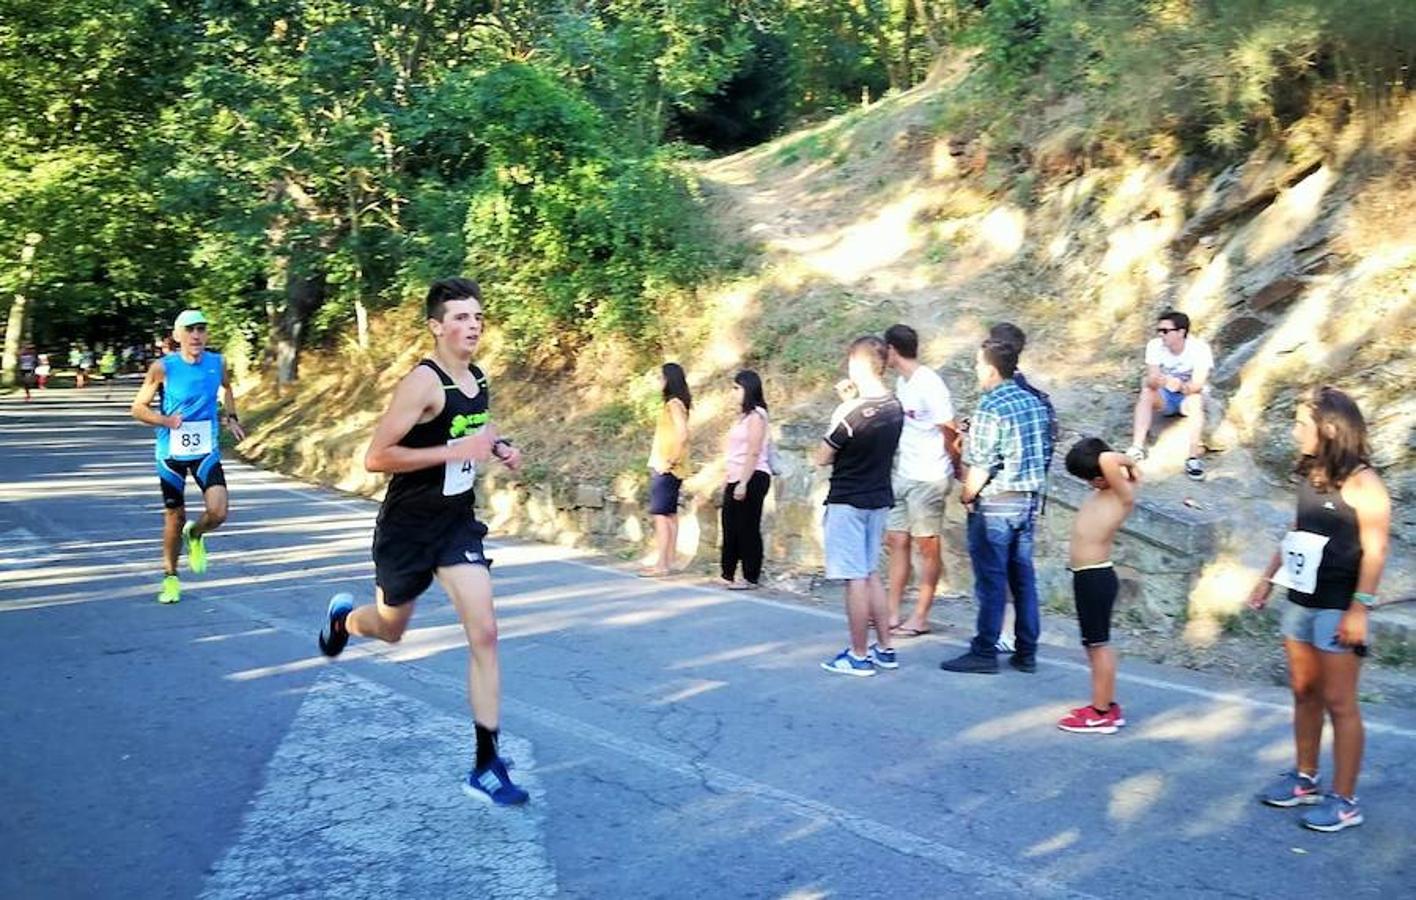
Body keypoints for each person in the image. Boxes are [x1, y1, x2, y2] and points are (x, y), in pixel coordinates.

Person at [316, 277, 529, 806]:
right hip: (408, 528)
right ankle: (343, 620)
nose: (472, 324)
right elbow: (376, 457)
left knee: (486, 633)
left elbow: (476, 425)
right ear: (436, 327)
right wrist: (458, 451)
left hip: (456, 524)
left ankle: (485, 763)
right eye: (460, 317)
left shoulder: (476, 378)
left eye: (477, 316)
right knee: (391, 630)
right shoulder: (422, 382)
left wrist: (496, 445)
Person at [1248, 386, 1390, 833]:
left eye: (1300, 424)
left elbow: (1375, 550)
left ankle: (1345, 801)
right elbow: (1297, 529)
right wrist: (1267, 578)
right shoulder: (1312, 472)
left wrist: (1359, 609)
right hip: (1301, 599)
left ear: (1327, 429)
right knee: (1303, 691)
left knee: (1340, 703)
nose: (1295, 433)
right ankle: (1305, 778)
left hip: (1337, 605)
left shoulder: (1366, 484)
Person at [940, 337, 1051, 675]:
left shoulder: (991, 406)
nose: (976, 370)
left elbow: (983, 464)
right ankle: (1026, 650)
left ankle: (984, 650)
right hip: (1026, 501)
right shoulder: (1034, 402)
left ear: (990, 368)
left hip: (995, 504)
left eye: (978, 364)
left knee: (991, 580)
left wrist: (967, 496)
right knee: (1022, 578)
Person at [130, 310, 245, 604]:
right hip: (171, 452)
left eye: (201, 329)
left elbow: (227, 388)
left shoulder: (217, 363)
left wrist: (231, 417)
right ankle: (170, 578)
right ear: (178, 335)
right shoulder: (162, 367)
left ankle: (195, 533)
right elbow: (138, 408)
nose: (196, 335)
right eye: (190, 330)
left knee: (219, 512)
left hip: (205, 449)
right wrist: (165, 421)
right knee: (174, 516)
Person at [815, 336, 905, 676]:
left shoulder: (849, 413)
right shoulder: (895, 406)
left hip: (848, 499)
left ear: (859, 364)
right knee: (870, 573)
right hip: (878, 496)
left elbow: (823, 456)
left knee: (854, 577)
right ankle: (885, 648)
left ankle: (858, 654)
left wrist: (844, 407)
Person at [1057, 438, 1140, 734]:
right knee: (1091, 644)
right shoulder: (1104, 489)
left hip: (1097, 575)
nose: (1091, 483)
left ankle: (1101, 712)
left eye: (1091, 477)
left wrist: (1125, 461)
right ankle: (1102, 703)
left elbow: (1107, 460)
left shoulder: (1123, 493)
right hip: (1086, 576)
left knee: (1099, 644)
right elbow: (1104, 464)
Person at [881, 324, 958, 638]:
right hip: (904, 472)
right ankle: (891, 611)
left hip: (929, 476)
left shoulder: (930, 383)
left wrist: (954, 467)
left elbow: (949, 429)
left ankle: (921, 615)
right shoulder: (903, 382)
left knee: (927, 546)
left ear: (892, 350)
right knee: (896, 540)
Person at [1126, 309, 1213, 481]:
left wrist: (1180, 386)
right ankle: (1137, 447)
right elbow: (1151, 380)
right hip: (1164, 395)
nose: (1161, 335)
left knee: (1195, 401)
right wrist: (1157, 381)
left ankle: (1192, 457)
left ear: (1181, 332)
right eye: (1159, 331)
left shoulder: (1199, 349)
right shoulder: (1155, 346)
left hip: (1186, 397)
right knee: (1146, 392)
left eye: (1165, 331)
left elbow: (1197, 385)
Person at [720, 370, 772, 590]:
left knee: (747, 526)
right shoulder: (742, 418)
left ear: (748, 389)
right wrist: (729, 478)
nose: (733, 393)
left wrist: (743, 482)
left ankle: (750, 576)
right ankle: (727, 573)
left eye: (737, 388)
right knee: (730, 525)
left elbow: (753, 451)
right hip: (736, 475)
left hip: (753, 475)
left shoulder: (758, 416)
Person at [643, 362, 691, 577]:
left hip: (667, 467)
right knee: (669, 515)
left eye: (661, 378)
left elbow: (682, 434)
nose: (658, 382)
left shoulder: (673, 403)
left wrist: (669, 461)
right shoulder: (677, 403)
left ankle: (662, 564)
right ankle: (668, 560)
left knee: (661, 516)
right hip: (671, 467)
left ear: (668, 380)